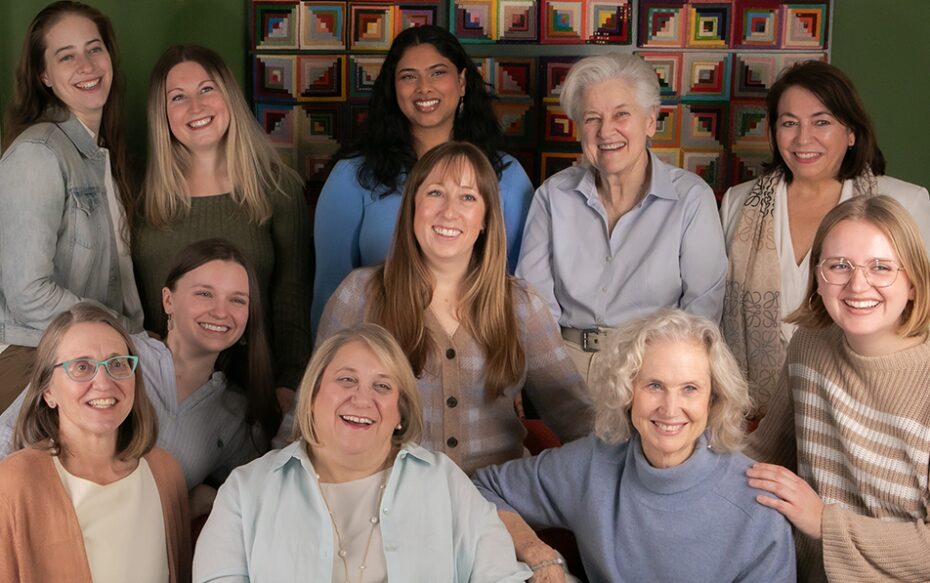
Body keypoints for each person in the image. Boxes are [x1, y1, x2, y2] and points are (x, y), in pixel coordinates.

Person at [309, 142, 591, 475]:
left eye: (468, 197)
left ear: (485, 218)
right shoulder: (359, 295)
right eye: (435, 193)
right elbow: (310, 409)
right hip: (391, 499)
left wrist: (628, 470)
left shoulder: (520, 304)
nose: (449, 212)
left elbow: (573, 411)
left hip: (497, 500)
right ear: (413, 206)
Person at [473, 309, 795, 582]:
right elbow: (483, 488)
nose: (670, 408)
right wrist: (537, 553)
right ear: (627, 392)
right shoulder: (592, 463)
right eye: (654, 385)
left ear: (714, 399)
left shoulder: (758, 509)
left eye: (690, 389)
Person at [194, 323, 531, 582]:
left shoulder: (443, 482)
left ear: (400, 412)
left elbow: (501, 575)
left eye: (382, 386)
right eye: (346, 380)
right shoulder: (245, 491)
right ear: (312, 397)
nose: (361, 398)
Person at [0, 239, 280, 516]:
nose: (221, 311)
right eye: (204, 294)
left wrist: (205, 501)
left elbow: (255, 501)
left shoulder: (236, 412)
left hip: (143, 547)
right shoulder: (115, 353)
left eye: (237, 300)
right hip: (55, 525)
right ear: (168, 300)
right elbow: (8, 435)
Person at [720, 61, 930, 418]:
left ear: (851, 132)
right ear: (773, 133)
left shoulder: (906, 203)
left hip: (868, 412)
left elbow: (922, 316)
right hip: (751, 416)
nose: (804, 139)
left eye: (821, 122)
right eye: (789, 123)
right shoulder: (738, 203)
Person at [746, 195, 930, 582]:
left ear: (913, 283)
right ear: (817, 277)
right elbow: (765, 455)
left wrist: (825, 523)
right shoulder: (809, 345)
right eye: (839, 266)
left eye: (881, 267)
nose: (857, 284)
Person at [311, 24, 534, 338]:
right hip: (378, 358)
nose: (423, 88)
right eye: (408, 76)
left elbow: (516, 289)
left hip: (478, 358)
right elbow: (329, 292)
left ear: (462, 82)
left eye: (437, 72)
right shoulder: (353, 175)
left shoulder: (506, 176)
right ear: (394, 88)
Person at [515, 53, 727, 383]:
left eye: (621, 114)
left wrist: (658, 384)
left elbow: (701, 317)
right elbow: (534, 311)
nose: (606, 131)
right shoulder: (552, 196)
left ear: (651, 120)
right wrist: (553, 388)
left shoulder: (691, 199)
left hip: (654, 370)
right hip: (562, 367)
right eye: (592, 118)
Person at [135, 44, 310, 408]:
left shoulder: (278, 188)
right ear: (162, 113)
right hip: (158, 394)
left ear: (228, 95)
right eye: (178, 97)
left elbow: (291, 298)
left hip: (254, 392)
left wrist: (288, 385)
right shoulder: (138, 195)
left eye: (207, 89)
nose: (196, 107)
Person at [0, 0, 143, 411]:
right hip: (33, 356)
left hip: (99, 352)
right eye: (67, 56)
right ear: (43, 75)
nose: (87, 64)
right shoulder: (39, 154)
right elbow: (29, 294)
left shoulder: (102, 156)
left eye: (94, 48)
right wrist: (116, 331)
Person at [0, 303, 190, 583]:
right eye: (82, 367)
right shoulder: (14, 482)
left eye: (117, 364)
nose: (103, 383)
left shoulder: (166, 473)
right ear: (48, 391)